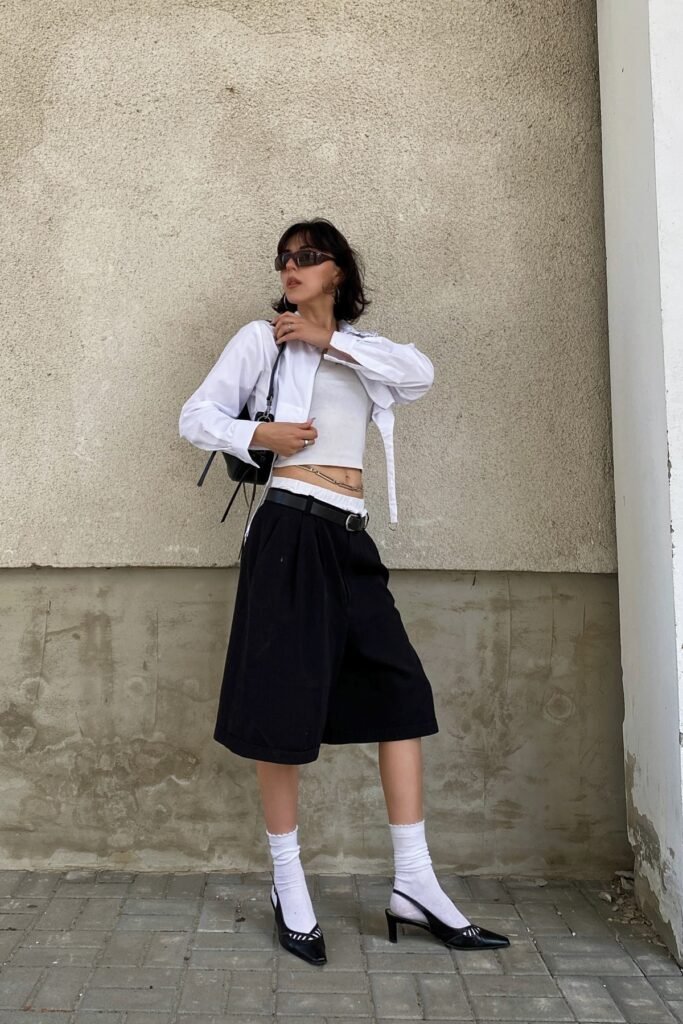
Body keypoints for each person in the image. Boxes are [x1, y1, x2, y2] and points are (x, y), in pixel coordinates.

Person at [179, 218, 510, 966]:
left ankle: (414, 884)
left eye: (306, 256)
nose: (289, 268)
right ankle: (288, 882)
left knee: (401, 694)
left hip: (350, 537)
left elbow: (419, 374)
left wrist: (328, 340)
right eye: (282, 259)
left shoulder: (361, 348)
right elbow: (195, 416)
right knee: (280, 707)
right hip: (289, 532)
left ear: (337, 270)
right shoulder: (260, 340)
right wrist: (260, 438)